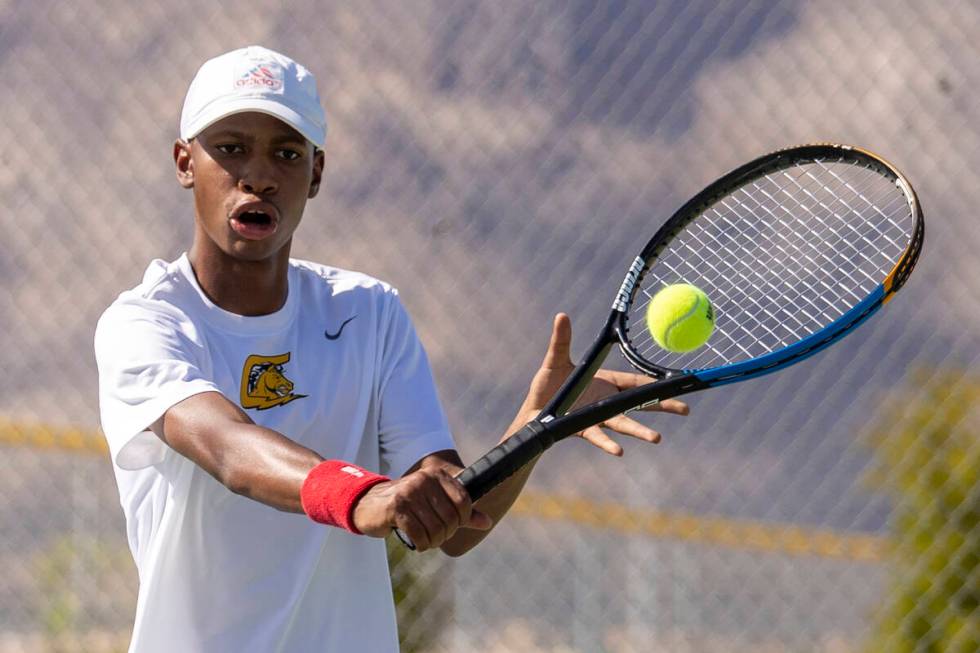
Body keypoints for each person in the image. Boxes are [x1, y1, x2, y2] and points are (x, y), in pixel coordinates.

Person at [94, 45, 688, 652]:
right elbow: (229, 449)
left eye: (287, 153)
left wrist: (538, 424)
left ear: (316, 174)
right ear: (184, 162)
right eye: (231, 148)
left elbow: (451, 523)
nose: (260, 175)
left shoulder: (368, 313)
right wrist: (364, 496)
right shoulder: (146, 323)